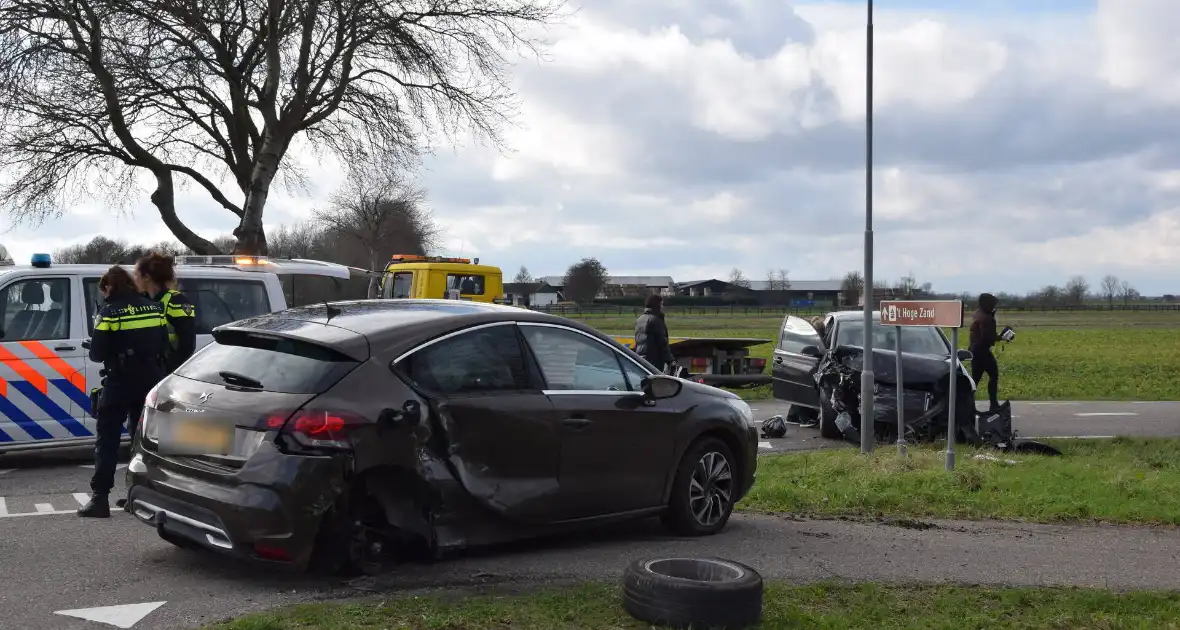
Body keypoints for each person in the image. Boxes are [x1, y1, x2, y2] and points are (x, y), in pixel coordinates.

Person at [78, 266, 170, 518]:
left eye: (103, 289)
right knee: (142, 441)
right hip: (151, 382)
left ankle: (99, 500)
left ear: (109, 287)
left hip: (120, 382)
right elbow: (165, 343)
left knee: (107, 441)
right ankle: (136, 497)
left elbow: (97, 354)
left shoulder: (108, 312)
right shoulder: (154, 308)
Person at [135, 252, 196, 374]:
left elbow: (187, 346)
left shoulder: (176, 301)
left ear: (146, 277)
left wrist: (167, 370)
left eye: (136, 274)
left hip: (167, 372)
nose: (134, 279)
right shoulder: (142, 301)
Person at [969, 292, 1001, 411]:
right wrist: (1001, 337)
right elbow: (987, 337)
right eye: (993, 303)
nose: (994, 306)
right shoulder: (987, 318)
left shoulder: (978, 314)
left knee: (975, 380)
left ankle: (968, 405)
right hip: (982, 351)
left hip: (974, 351)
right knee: (994, 375)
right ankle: (993, 404)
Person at [634, 294, 676, 374]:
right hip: (654, 359)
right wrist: (670, 360)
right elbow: (662, 342)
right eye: (661, 304)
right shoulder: (655, 320)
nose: (662, 307)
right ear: (657, 305)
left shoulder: (640, 319)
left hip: (641, 357)